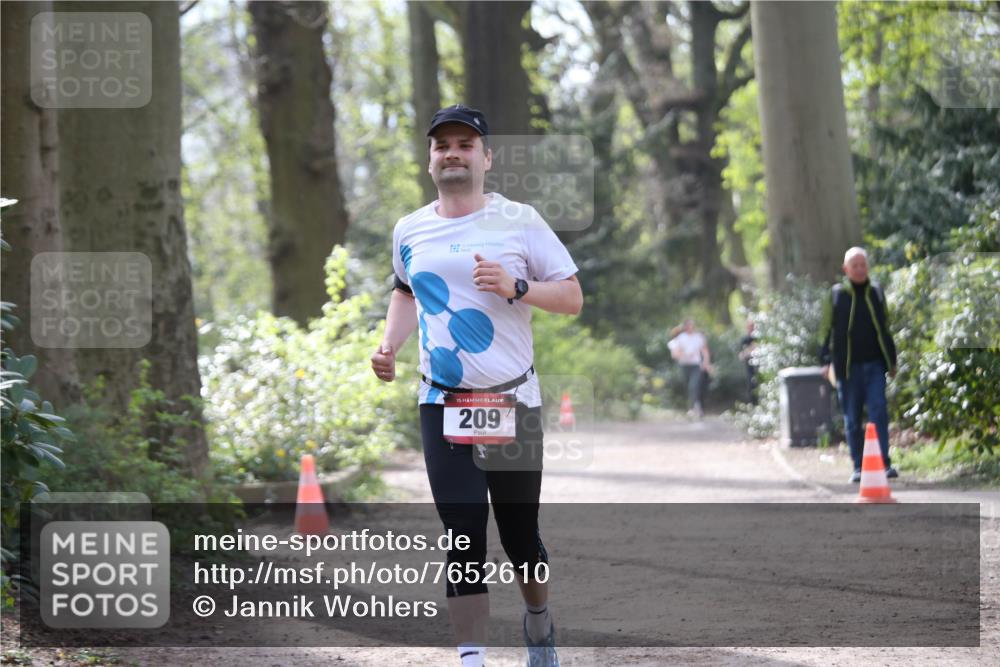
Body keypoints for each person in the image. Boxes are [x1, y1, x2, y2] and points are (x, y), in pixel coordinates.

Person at [370, 104, 582, 667]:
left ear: (486, 158)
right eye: (443, 145)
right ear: (430, 159)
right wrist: (390, 344)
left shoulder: (520, 220)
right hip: (441, 402)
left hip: (510, 398)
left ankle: (538, 625)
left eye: (465, 144)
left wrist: (517, 286)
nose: (453, 153)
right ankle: (472, 658)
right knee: (462, 535)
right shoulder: (410, 228)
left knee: (518, 538)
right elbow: (405, 291)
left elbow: (572, 297)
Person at [819, 247, 898, 483]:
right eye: (855, 265)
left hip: (875, 365)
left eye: (863, 264)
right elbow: (825, 330)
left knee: (878, 412)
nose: (860, 269)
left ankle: (883, 463)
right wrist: (824, 360)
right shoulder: (836, 295)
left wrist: (891, 360)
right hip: (846, 367)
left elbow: (885, 327)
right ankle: (858, 466)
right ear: (846, 269)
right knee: (852, 418)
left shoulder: (876, 292)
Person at [668, 319, 712, 418]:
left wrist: (706, 363)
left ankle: (694, 407)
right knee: (689, 387)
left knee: (694, 385)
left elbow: (705, 351)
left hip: (696, 365)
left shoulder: (698, 337)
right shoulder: (680, 338)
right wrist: (685, 354)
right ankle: (694, 406)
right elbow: (675, 353)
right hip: (684, 365)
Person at [739, 319, 759, 405]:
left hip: (759, 365)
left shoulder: (759, 338)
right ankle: (753, 403)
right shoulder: (745, 339)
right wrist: (750, 350)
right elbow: (741, 355)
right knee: (751, 385)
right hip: (749, 366)